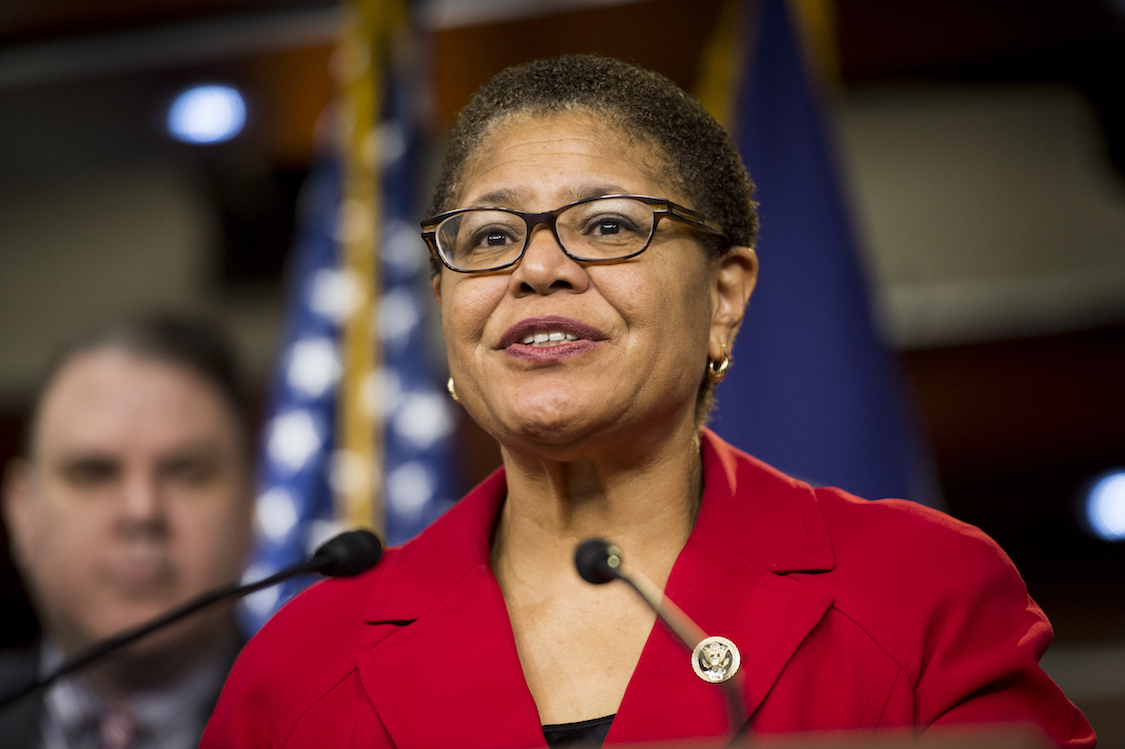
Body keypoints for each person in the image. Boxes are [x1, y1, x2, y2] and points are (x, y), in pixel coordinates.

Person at [201, 55, 1095, 747]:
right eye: (488, 238)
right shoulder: (301, 659)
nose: (538, 268)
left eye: (607, 225)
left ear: (723, 296)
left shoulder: (916, 591)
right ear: (445, 307)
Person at [0, 313, 255, 749]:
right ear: (21, 513)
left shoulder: (333, 727)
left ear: (250, 507)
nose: (142, 511)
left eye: (186, 472)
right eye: (94, 472)